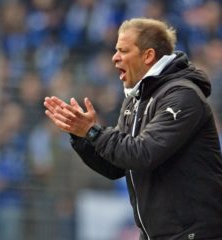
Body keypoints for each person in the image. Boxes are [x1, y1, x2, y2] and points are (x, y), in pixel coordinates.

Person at [43, 17, 222, 239]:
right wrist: (81, 135)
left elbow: (142, 153)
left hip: (193, 234)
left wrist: (93, 131)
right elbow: (116, 165)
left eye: (123, 50)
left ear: (148, 56)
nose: (114, 57)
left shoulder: (182, 96)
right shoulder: (136, 100)